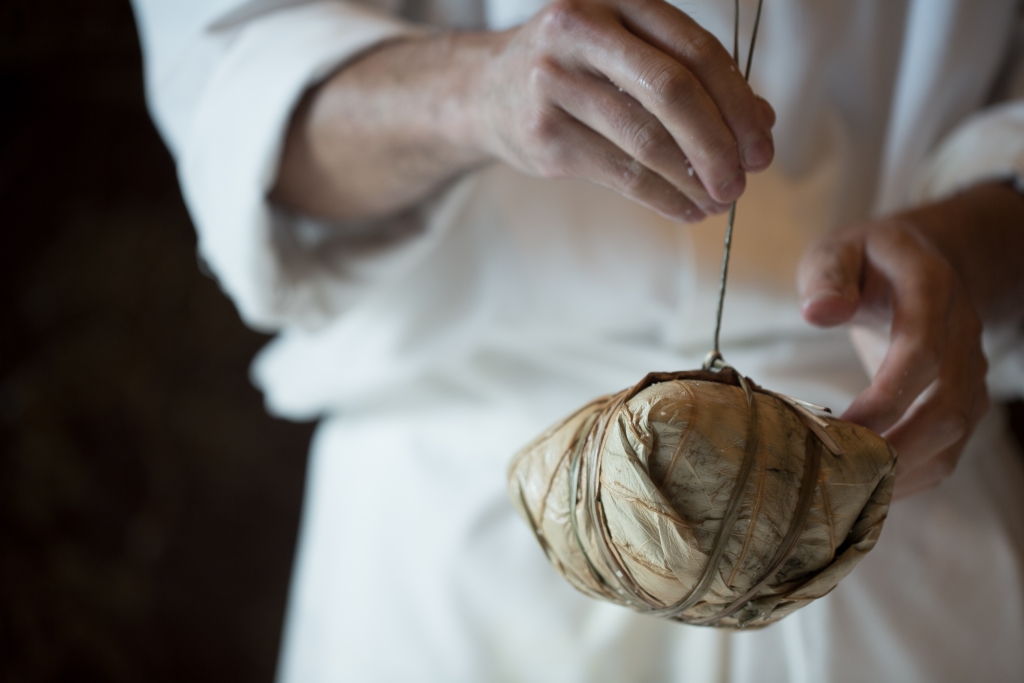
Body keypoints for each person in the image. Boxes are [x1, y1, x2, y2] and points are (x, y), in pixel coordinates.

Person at [130, 0, 1024, 680]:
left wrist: (969, 246)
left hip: (885, 498)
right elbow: (230, 83)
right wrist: (472, 91)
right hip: (455, 539)